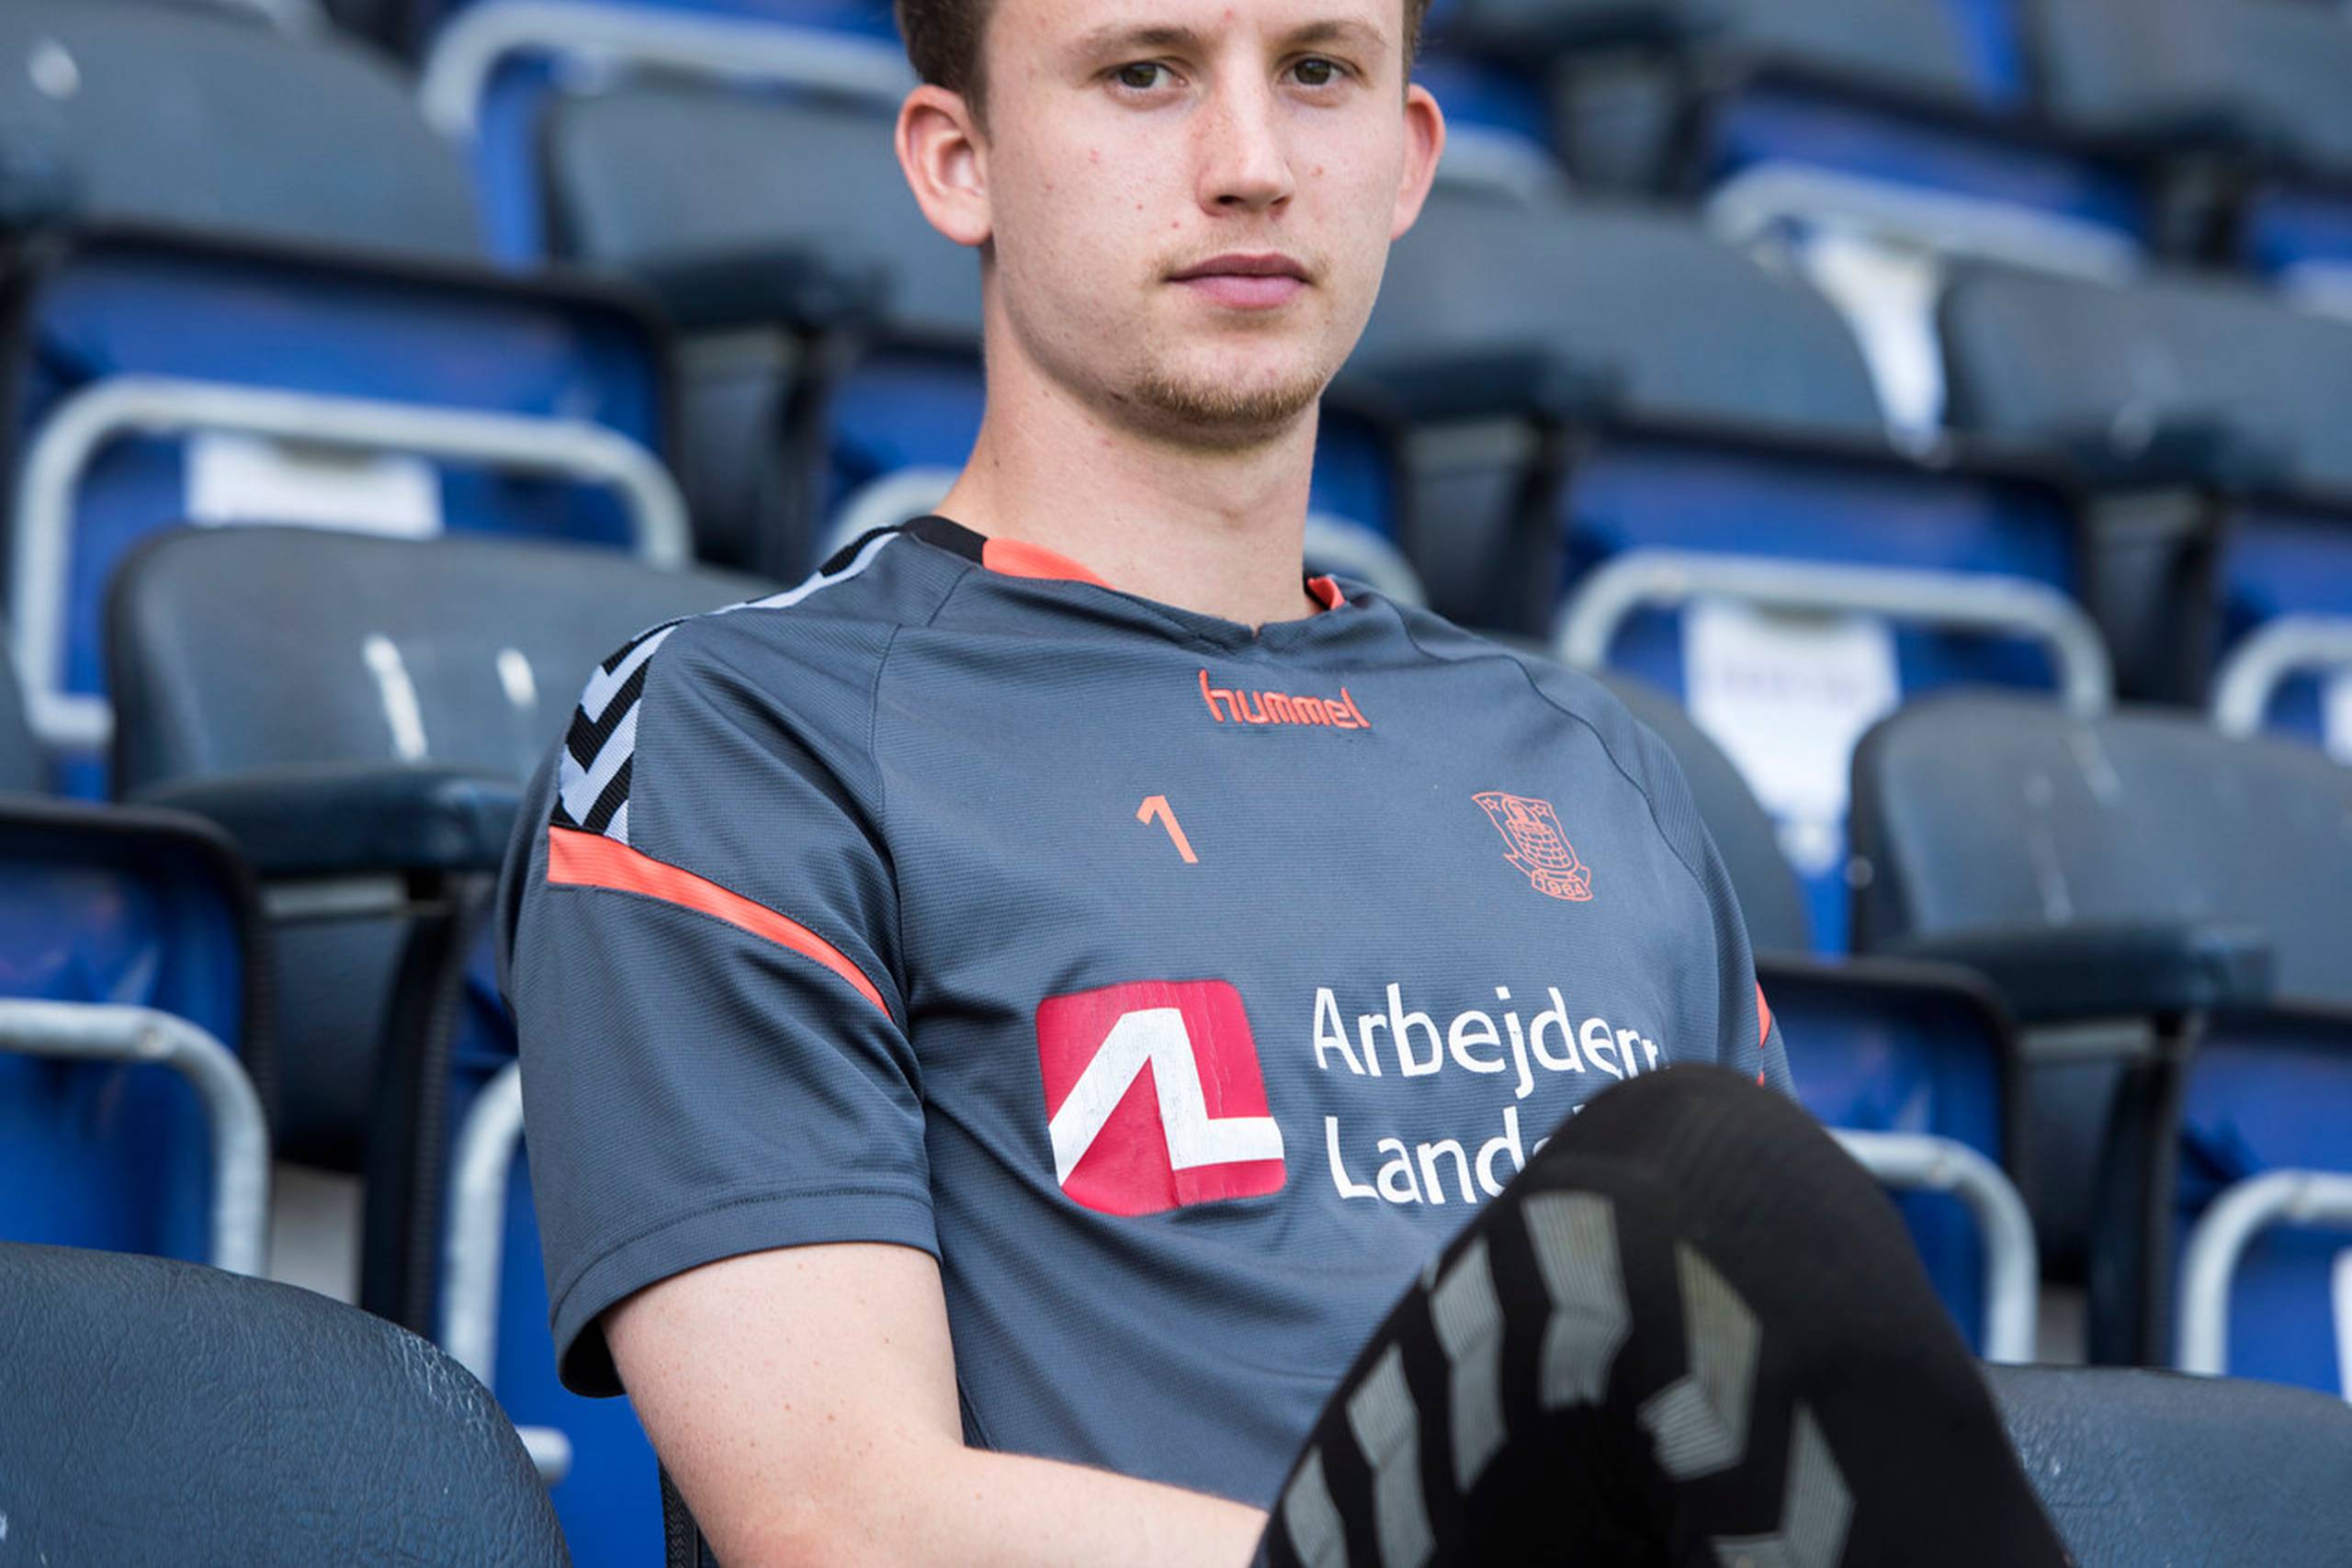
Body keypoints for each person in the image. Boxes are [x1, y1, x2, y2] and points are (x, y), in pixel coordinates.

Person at [496, 0, 2070, 1556]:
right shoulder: (743, 727)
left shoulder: (1595, 771)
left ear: (1405, 154)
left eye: (1319, 73)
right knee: (1702, 1184)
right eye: (1144, 72)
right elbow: (845, 1523)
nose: (1250, 163)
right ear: (956, 158)